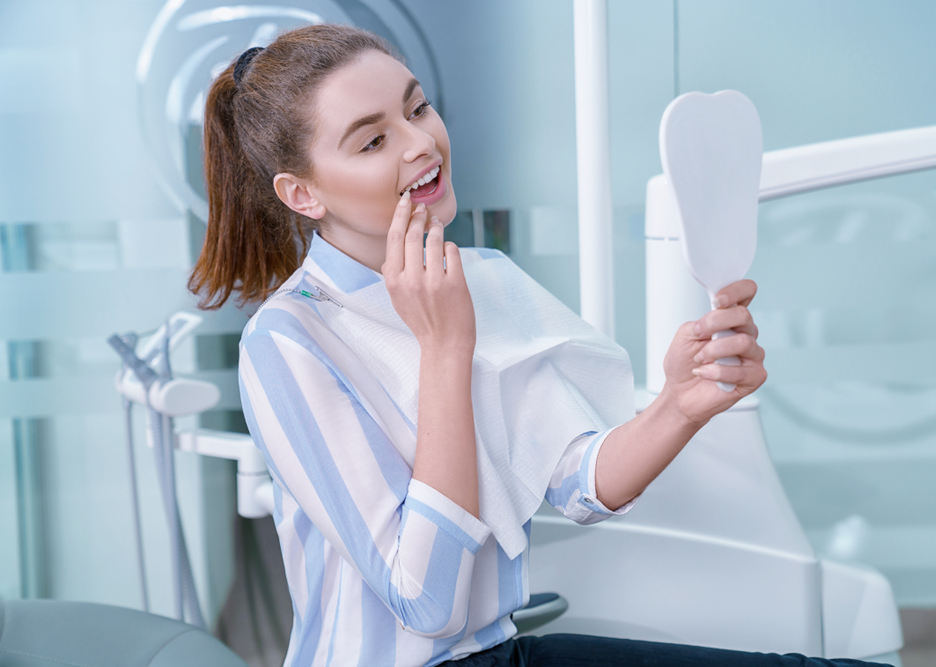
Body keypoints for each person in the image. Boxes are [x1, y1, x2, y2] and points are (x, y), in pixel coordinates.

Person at [190, 23, 887, 667]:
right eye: (373, 141)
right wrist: (444, 351)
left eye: (417, 108)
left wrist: (681, 402)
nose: (420, 143)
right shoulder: (289, 341)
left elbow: (583, 483)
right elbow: (422, 600)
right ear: (302, 193)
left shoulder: (481, 280)